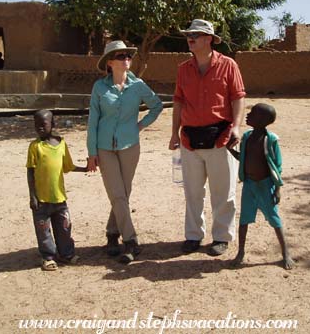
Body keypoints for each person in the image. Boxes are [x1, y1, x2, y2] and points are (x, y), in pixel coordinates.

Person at [168, 19, 246, 256]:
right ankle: (193, 236)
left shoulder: (228, 65)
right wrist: (174, 133)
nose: (190, 38)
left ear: (210, 39)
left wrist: (236, 126)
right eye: (189, 34)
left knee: (223, 191)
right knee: (192, 191)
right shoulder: (183, 69)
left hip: (221, 137)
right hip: (190, 139)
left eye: (196, 34)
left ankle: (221, 237)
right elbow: (179, 101)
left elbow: (238, 97)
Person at [87, 40, 163, 264]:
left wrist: (140, 125)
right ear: (110, 63)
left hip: (131, 146)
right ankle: (131, 241)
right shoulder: (100, 88)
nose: (126, 59)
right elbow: (93, 121)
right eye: (120, 56)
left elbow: (157, 105)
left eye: (128, 56)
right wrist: (92, 152)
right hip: (104, 147)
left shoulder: (138, 85)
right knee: (118, 194)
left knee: (122, 193)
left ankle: (112, 234)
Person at [226, 103, 294, 269]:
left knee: (274, 219)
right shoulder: (247, 137)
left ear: (263, 120)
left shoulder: (270, 140)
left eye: (253, 113)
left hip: (265, 185)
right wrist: (230, 149)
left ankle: (286, 253)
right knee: (244, 220)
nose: (248, 115)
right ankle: (240, 252)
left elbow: (277, 166)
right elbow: (243, 158)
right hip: (249, 185)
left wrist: (277, 189)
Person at [26, 109, 88, 271]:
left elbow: (68, 166)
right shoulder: (35, 147)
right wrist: (32, 196)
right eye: (36, 125)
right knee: (43, 230)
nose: (39, 128)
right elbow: (30, 172)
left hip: (59, 198)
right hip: (41, 199)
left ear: (53, 125)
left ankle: (66, 254)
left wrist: (86, 168)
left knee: (64, 228)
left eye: (43, 124)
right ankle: (48, 257)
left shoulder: (61, 144)